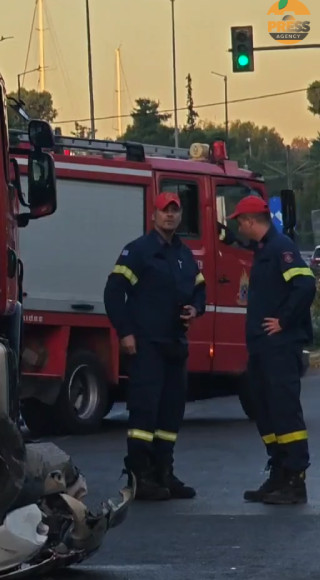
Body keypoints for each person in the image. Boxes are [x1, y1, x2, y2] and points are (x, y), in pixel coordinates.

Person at [104, 191, 205, 501]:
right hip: (147, 345)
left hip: (175, 345)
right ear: (154, 215)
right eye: (164, 211)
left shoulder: (183, 255)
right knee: (144, 414)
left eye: (175, 211)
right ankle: (139, 476)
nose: (170, 216)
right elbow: (113, 292)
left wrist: (195, 309)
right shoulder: (138, 251)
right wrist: (125, 332)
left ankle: (164, 473)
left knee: (170, 415)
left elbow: (200, 289)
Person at [220, 195, 315, 505]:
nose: (239, 227)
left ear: (250, 221)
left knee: (284, 411)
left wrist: (284, 321)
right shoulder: (263, 251)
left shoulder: (280, 248)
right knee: (265, 410)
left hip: (280, 347)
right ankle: (278, 472)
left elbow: (304, 285)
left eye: (240, 222)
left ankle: (294, 480)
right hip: (263, 348)